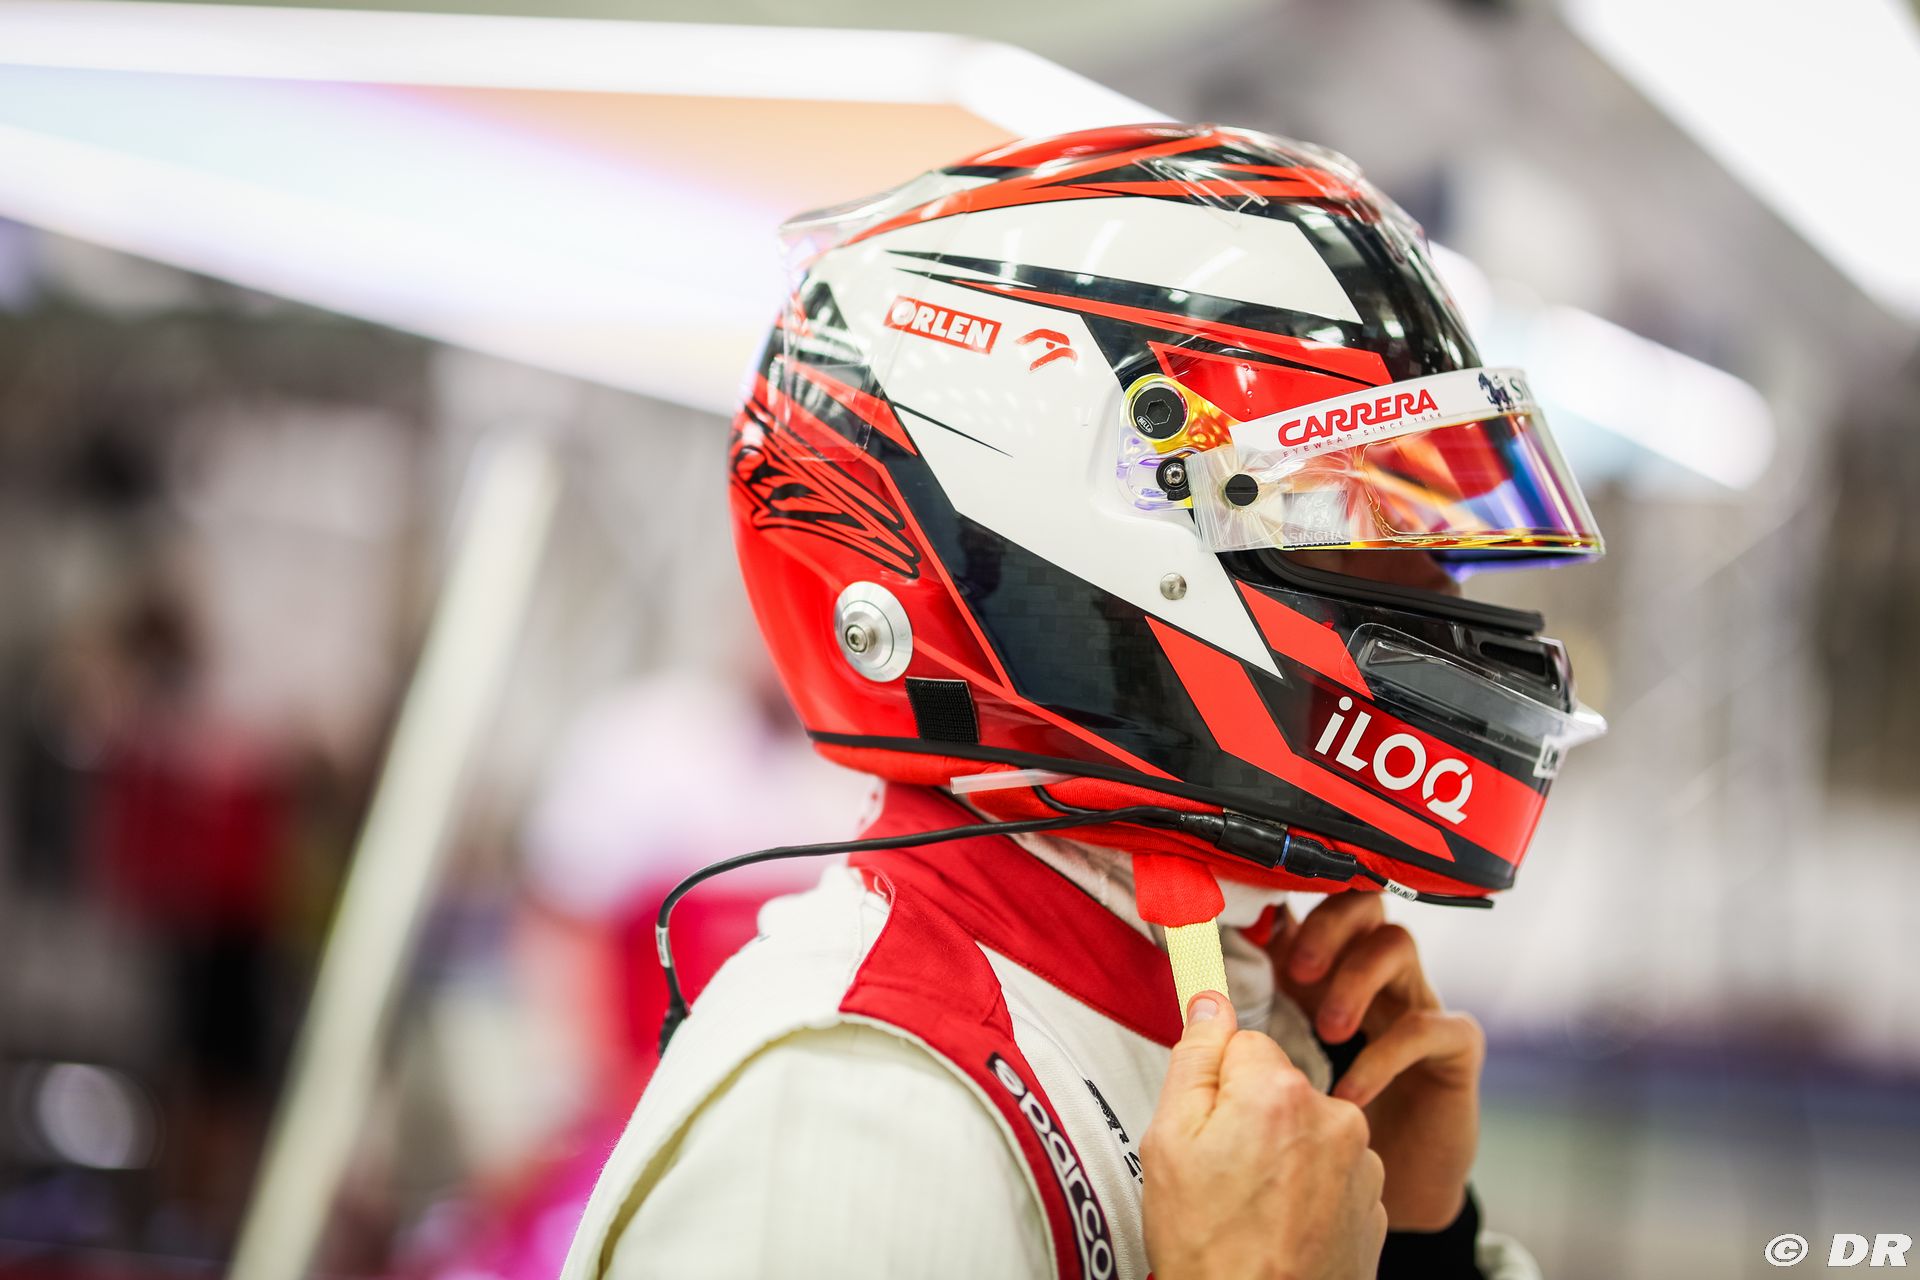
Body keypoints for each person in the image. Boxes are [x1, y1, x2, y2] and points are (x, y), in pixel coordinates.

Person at [563, 123, 1608, 1279]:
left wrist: (1423, 1243)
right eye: (1354, 522)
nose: (1438, 593)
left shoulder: (1236, 1014)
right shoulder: (855, 1116)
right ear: (1079, 543)